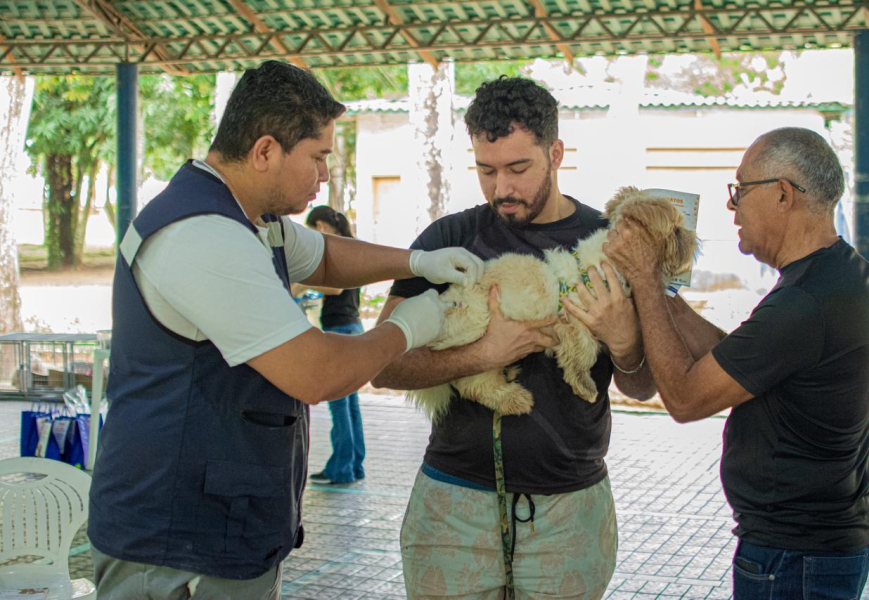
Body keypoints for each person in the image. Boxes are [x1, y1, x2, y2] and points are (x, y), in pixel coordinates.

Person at [86, 60, 485, 599]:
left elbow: (324, 257)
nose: (325, 175)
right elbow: (316, 373)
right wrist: (405, 329)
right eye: (318, 157)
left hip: (226, 524)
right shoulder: (201, 235)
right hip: (175, 541)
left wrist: (416, 261)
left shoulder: (250, 217)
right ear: (265, 151)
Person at [372, 76, 656, 599]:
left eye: (518, 169)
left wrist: (624, 341)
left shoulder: (608, 241)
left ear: (556, 153)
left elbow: (642, 387)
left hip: (570, 510)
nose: (501, 188)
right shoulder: (448, 240)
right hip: (453, 506)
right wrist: (484, 354)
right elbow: (383, 365)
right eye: (486, 170)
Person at [602, 127, 869, 599]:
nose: (731, 207)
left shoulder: (805, 303)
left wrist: (646, 280)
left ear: (783, 194)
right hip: (817, 544)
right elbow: (737, 361)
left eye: (741, 190)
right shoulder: (841, 272)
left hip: (794, 556)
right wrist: (665, 292)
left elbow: (686, 398)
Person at [302, 205, 367, 485]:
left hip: (340, 330)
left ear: (321, 226)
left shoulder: (338, 248)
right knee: (350, 403)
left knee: (339, 404)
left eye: (312, 230)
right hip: (353, 327)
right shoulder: (353, 247)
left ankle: (340, 469)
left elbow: (337, 287)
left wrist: (301, 284)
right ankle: (354, 465)